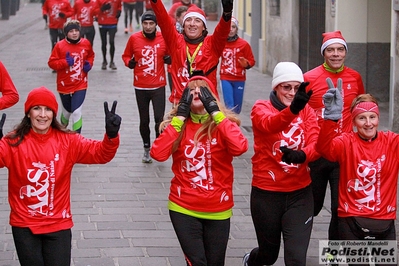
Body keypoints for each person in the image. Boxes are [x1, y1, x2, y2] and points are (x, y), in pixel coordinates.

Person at [0, 86, 121, 266]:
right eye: (36, 108)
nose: (42, 115)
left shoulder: (68, 141)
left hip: (58, 224)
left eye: (48, 109)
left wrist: (111, 136)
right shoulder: (13, 142)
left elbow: (101, 154)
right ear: (28, 113)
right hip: (25, 224)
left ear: (54, 114)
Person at [150, 75, 248, 265]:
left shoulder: (224, 125)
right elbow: (158, 154)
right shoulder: (177, 126)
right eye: (191, 91)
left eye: (201, 91)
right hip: (183, 206)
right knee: (197, 262)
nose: (196, 93)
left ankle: (254, 259)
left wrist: (216, 114)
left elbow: (240, 147)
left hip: (218, 208)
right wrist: (179, 117)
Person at [243, 62, 318, 266]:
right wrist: (293, 110)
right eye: (286, 87)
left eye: (297, 88)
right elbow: (270, 124)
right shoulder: (260, 108)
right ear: (276, 87)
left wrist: (302, 155)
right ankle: (251, 260)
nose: (292, 93)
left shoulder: (307, 111)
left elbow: (315, 143)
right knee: (269, 255)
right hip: (267, 194)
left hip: (300, 193)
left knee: (295, 258)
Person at [316, 84, 398, 266]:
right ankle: (332, 258)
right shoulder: (345, 142)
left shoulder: (392, 142)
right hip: (352, 220)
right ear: (353, 122)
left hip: (384, 221)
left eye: (372, 117)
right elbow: (323, 149)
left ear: (378, 118)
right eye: (362, 118)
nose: (368, 123)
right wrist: (329, 120)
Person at [304, 30, 365, 241]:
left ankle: (333, 257)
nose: (336, 54)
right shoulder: (309, 78)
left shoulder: (355, 77)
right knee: (311, 207)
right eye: (331, 50)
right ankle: (297, 248)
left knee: (340, 209)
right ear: (324, 53)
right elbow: (298, 113)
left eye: (340, 49)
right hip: (317, 152)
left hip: (344, 153)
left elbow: (361, 108)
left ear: (345, 52)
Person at [150, 0, 234, 104]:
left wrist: (227, 14)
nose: (192, 24)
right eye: (188, 20)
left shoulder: (212, 44)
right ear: (183, 25)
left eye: (197, 20)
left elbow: (222, 32)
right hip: (180, 105)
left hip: (206, 106)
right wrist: (155, 2)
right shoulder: (175, 41)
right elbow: (163, 21)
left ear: (203, 27)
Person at [122, 11, 168, 163]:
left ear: (156, 25)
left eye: (151, 23)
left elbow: (175, 53)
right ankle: (146, 148)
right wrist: (129, 63)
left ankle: (158, 147)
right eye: (145, 23)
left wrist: (170, 59)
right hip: (141, 86)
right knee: (144, 120)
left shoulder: (164, 38)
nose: (148, 27)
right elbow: (126, 55)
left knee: (159, 119)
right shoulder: (134, 38)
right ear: (142, 24)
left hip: (158, 85)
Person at [48, 20, 95, 134]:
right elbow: (51, 63)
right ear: (66, 34)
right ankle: (60, 132)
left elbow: (91, 55)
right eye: (71, 31)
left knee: (76, 111)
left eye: (76, 31)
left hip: (80, 84)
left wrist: (89, 64)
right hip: (64, 84)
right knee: (67, 112)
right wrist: (65, 62)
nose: (74, 33)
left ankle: (76, 140)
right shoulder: (59, 46)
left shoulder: (86, 43)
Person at [219, 17, 255, 114]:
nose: (230, 29)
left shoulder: (244, 44)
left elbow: (252, 60)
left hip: (239, 78)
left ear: (236, 29)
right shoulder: (220, 43)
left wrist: (246, 64)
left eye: (233, 27)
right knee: (229, 106)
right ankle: (230, 127)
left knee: (237, 108)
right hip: (225, 78)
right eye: (228, 27)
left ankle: (234, 124)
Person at [97, 0, 122, 70]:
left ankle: (112, 61)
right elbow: (94, 10)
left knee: (111, 41)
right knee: (104, 42)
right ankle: (104, 60)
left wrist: (119, 11)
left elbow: (119, 5)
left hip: (113, 22)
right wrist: (102, 9)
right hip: (102, 23)